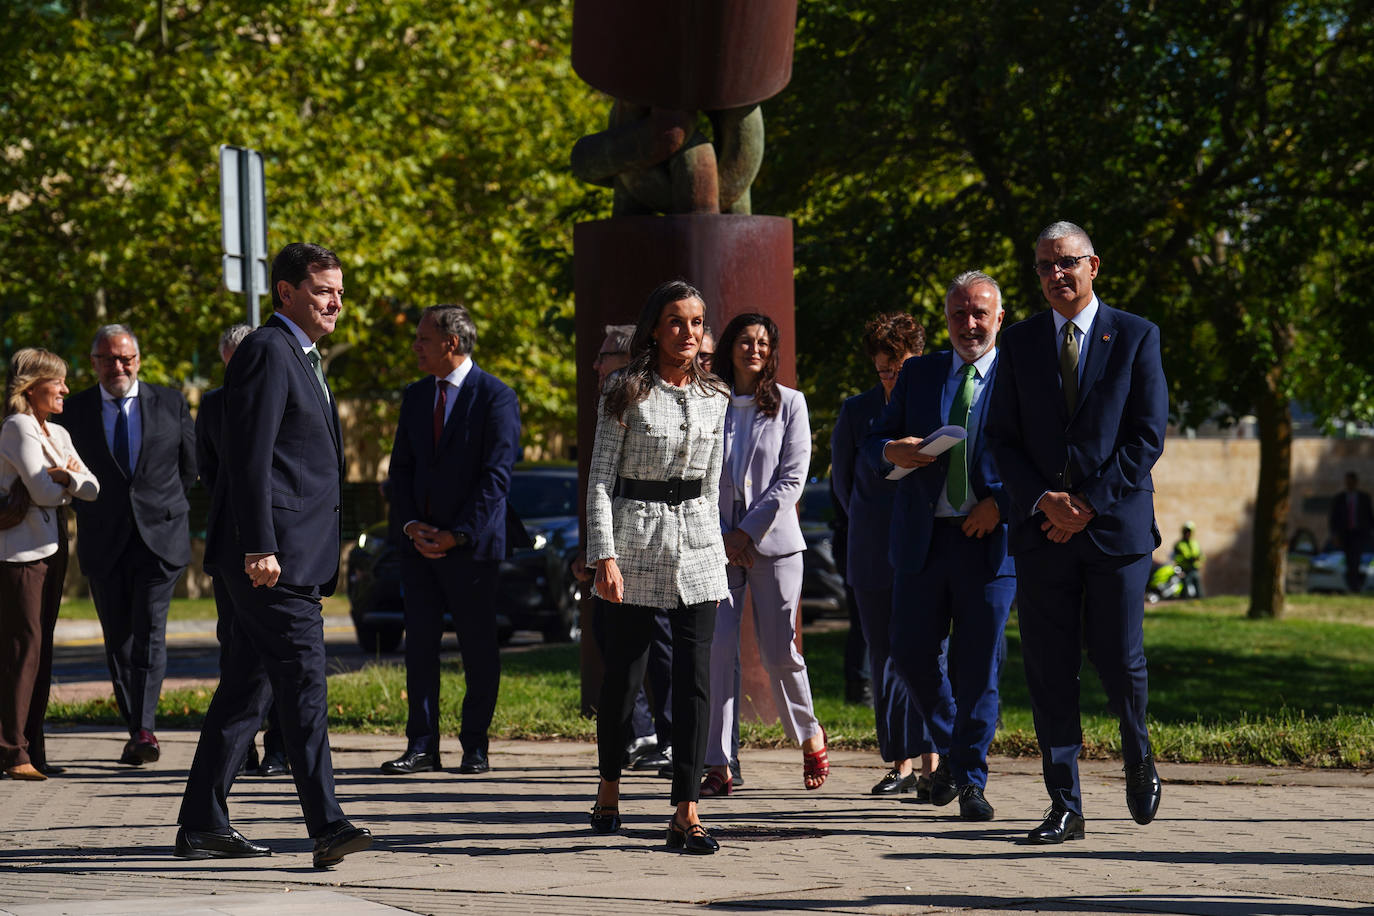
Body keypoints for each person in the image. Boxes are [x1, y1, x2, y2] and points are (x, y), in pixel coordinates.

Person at [176, 242, 372, 868]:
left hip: (287, 555)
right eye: (322, 290)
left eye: (340, 289)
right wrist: (259, 543)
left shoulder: (304, 356)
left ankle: (202, 824)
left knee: (246, 692)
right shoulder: (266, 349)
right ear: (286, 293)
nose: (336, 300)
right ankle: (327, 824)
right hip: (270, 559)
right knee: (304, 683)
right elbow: (248, 457)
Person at [985, 221, 1168, 844]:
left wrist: (1086, 504)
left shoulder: (1136, 335)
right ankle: (1065, 803)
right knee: (1049, 667)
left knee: (1119, 660)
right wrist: (1046, 501)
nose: (1055, 275)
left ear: (1094, 266)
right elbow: (1001, 441)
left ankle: (1137, 751)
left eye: (1066, 263)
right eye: (1043, 266)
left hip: (1115, 530)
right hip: (1042, 532)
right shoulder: (1019, 343)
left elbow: (1146, 437)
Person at [586, 279, 729, 854]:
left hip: (697, 546)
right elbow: (600, 478)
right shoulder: (624, 390)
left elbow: (714, 483)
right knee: (623, 678)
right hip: (635, 540)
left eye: (696, 322)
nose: (688, 333)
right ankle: (609, 787)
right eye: (676, 322)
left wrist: (715, 555)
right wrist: (605, 555)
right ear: (654, 328)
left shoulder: (717, 396)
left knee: (695, 681)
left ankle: (685, 811)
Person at [867, 274, 1015, 821]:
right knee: (907, 652)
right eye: (958, 314)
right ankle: (954, 752)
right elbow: (872, 441)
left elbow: (1046, 451)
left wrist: (999, 501)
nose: (969, 324)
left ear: (999, 317)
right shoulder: (921, 373)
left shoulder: (1020, 373)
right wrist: (892, 448)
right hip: (922, 541)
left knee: (977, 669)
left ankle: (971, 783)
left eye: (979, 313)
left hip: (989, 542)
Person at [378, 304, 521, 777]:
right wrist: (410, 526)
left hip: (472, 550)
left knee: (478, 648)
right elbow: (401, 471)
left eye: (423, 338)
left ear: (451, 343)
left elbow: (495, 478)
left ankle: (474, 745)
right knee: (418, 645)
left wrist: (456, 535)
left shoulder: (496, 398)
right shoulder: (416, 396)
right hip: (418, 548)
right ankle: (421, 745)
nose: (415, 346)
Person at [55, 325, 196, 767]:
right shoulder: (73, 411)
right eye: (108, 359)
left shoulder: (171, 402)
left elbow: (190, 467)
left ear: (138, 359)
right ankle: (135, 724)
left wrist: (168, 511)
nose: (119, 367)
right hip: (104, 540)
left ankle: (144, 729)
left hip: (160, 539)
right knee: (118, 640)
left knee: (151, 633)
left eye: (126, 358)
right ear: (93, 363)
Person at [702, 312, 829, 797]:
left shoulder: (790, 405)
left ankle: (808, 733)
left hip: (773, 546)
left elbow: (792, 479)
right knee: (717, 653)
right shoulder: (708, 403)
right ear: (731, 346)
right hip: (715, 548)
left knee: (780, 651)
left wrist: (746, 534)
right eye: (746, 341)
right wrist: (723, 537)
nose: (754, 349)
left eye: (763, 343)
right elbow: (697, 478)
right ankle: (719, 763)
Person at [832, 312, 940, 799]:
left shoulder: (937, 404)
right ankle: (898, 762)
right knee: (884, 656)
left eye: (900, 368)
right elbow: (841, 485)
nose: (892, 378)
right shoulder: (857, 412)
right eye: (883, 370)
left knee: (930, 651)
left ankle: (932, 764)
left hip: (928, 546)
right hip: (873, 549)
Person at [0, 349, 99, 780]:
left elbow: (93, 487)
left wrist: (67, 478)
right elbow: (41, 492)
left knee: (40, 652)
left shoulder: (55, 432)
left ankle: (32, 747)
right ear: (31, 386)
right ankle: (11, 751)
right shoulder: (17, 426)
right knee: (23, 651)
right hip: (20, 556)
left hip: (52, 548)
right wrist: (63, 481)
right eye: (56, 382)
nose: (65, 389)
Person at [580, 323, 674, 773]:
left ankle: (668, 736)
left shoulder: (656, 404)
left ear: (628, 358)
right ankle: (640, 734)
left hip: (650, 552)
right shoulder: (611, 405)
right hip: (612, 552)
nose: (597, 365)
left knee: (658, 648)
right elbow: (601, 481)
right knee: (613, 645)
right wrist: (598, 551)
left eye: (605, 356)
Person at [199, 323, 287, 778]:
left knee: (279, 653)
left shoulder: (284, 392)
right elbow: (209, 471)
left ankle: (278, 746)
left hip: (276, 544)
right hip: (231, 549)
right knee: (233, 645)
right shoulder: (213, 404)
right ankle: (240, 751)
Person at [1328, 472, 1373, 593]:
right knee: (1348, 560)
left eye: (1351, 481)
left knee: (1356, 559)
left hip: (1359, 534)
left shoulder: (1364, 498)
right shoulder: (1339, 498)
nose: (1349, 484)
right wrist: (1334, 535)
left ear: (1356, 482)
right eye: (1347, 481)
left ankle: (1355, 586)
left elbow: (1369, 517)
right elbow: (1333, 518)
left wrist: (1369, 533)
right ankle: (1350, 585)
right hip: (1344, 535)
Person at [1172, 522, 1204, 599]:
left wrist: (1199, 559)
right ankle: (1184, 602)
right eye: (1186, 531)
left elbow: (1201, 555)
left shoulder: (1195, 543)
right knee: (1185, 587)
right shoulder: (1179, 544)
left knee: (1198, 587)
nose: (1187, 533)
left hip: (1194, 568)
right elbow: (1176, 557)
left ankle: (1200, 601)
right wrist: (1187, 559)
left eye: (1189, 531)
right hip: (1184, 569)